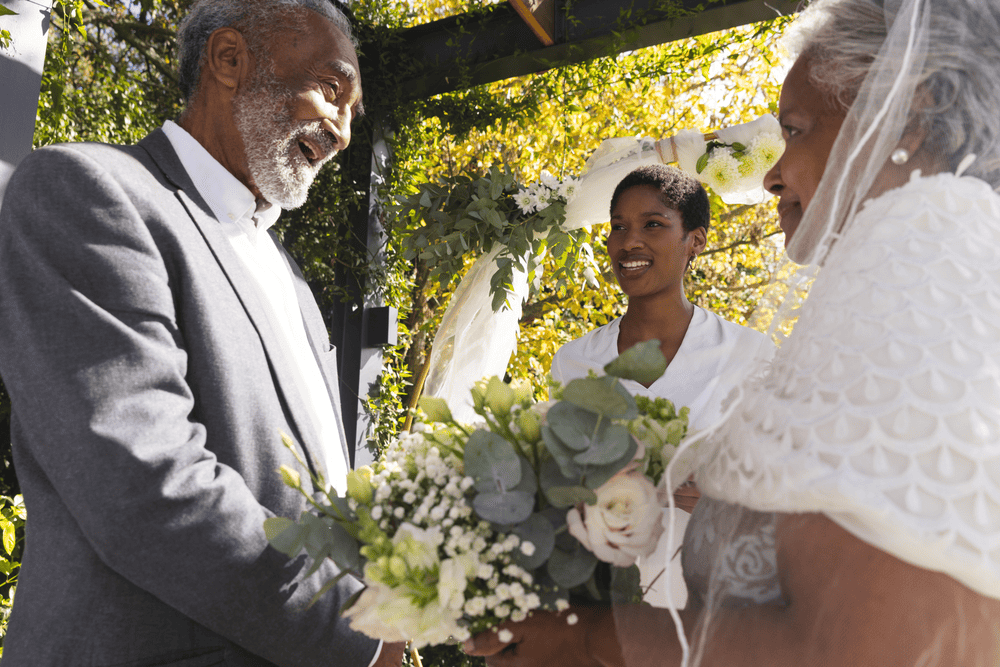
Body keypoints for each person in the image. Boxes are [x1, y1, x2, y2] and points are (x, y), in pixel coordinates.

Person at [464, 0, 1000, 664]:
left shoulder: (927, 270)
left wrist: (589, 639)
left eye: (798, 130)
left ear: (907, 116)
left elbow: (871, 645)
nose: (774, 173)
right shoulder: (914, 277)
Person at [0, 1, 406, 665]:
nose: (341, 133)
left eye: (353, 114)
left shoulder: (292, 283)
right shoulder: (89, 191)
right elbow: (145, 482)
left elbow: (313, 497)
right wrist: (357, 629)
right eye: (331, 91)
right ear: (229, 60)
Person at [549, 164, 772, 606]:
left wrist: (720, 500)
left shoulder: (750, 354)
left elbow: (780, 486)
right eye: (618, 227)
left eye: (653, 224)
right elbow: (558, 487)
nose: (629, 241)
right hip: (605, 595)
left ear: (696, 241)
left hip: (712, 595)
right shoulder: (573, 361)